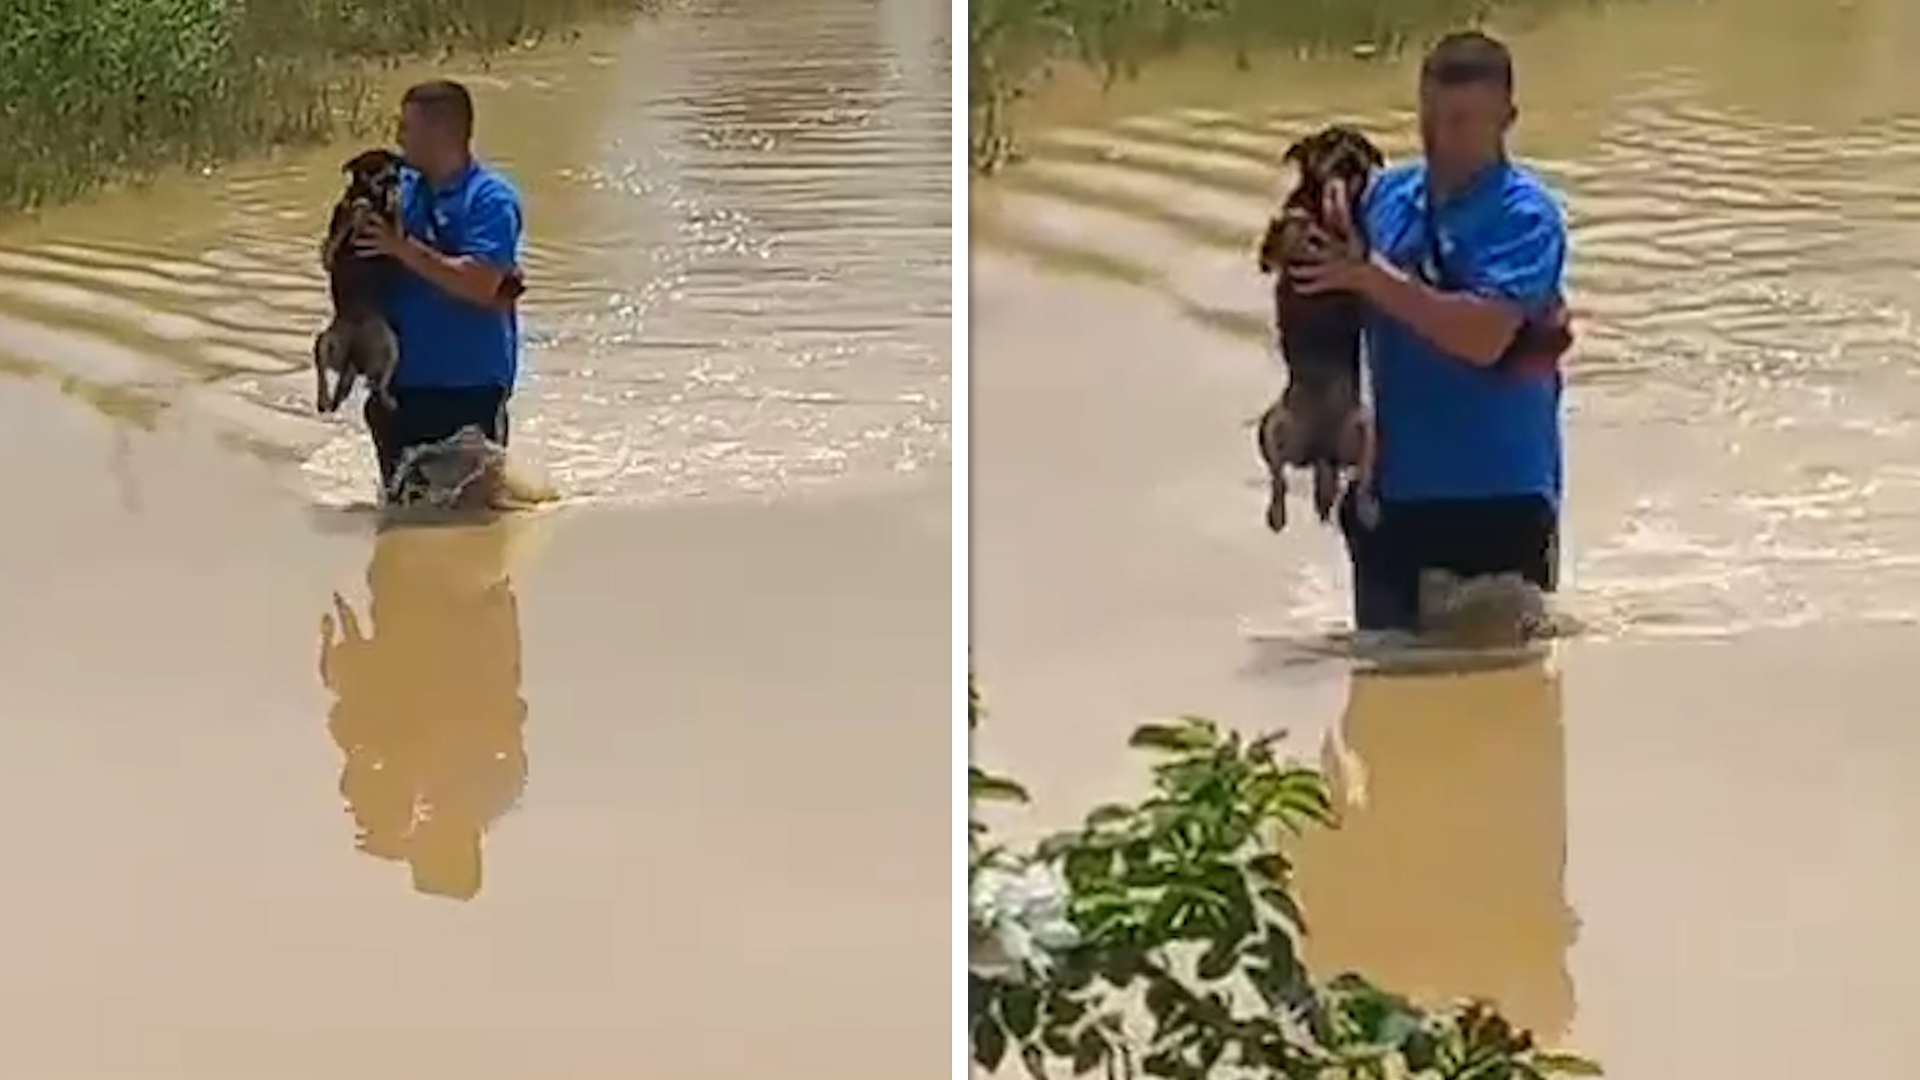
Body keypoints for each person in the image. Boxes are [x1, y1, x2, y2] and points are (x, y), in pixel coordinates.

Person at [1291, 30, 1573, 632]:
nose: (1442, 137)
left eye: (1463, 122)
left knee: (1505, 686)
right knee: (1379, 681)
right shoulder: (1388, 197)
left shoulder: (1526, 216)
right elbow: (1329, 300)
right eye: (1430, 118)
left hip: (1499, 498)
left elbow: (1483, 339)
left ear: (1507, 119)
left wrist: (1370, 277)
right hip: (1390, 497)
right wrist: (1316, 406)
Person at [353, 78, 525, 497]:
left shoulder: (490, 199)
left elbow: (480, 284)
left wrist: (402, 248)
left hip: (468, 390)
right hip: (398, 389)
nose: (398, 138)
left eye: (407, 127)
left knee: (475, 522)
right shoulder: (397, 191)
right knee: (401, 518)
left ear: (441, 131)